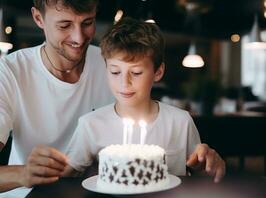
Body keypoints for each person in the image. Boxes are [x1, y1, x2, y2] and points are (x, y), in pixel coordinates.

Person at [63, 17, 226, 182]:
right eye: (115, 72)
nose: (124, 83)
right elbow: (65, 178)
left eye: (136, 73)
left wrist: (210, 166)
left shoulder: (180, 122)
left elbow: (201, 175)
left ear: (158, 72)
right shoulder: (91, 124)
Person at [0, 0, 114, 192]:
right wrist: (24, 173)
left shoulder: (113, 66)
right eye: (65, 25)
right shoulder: (10, 71)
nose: (78, 38)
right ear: (39, 18)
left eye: (87, 23)